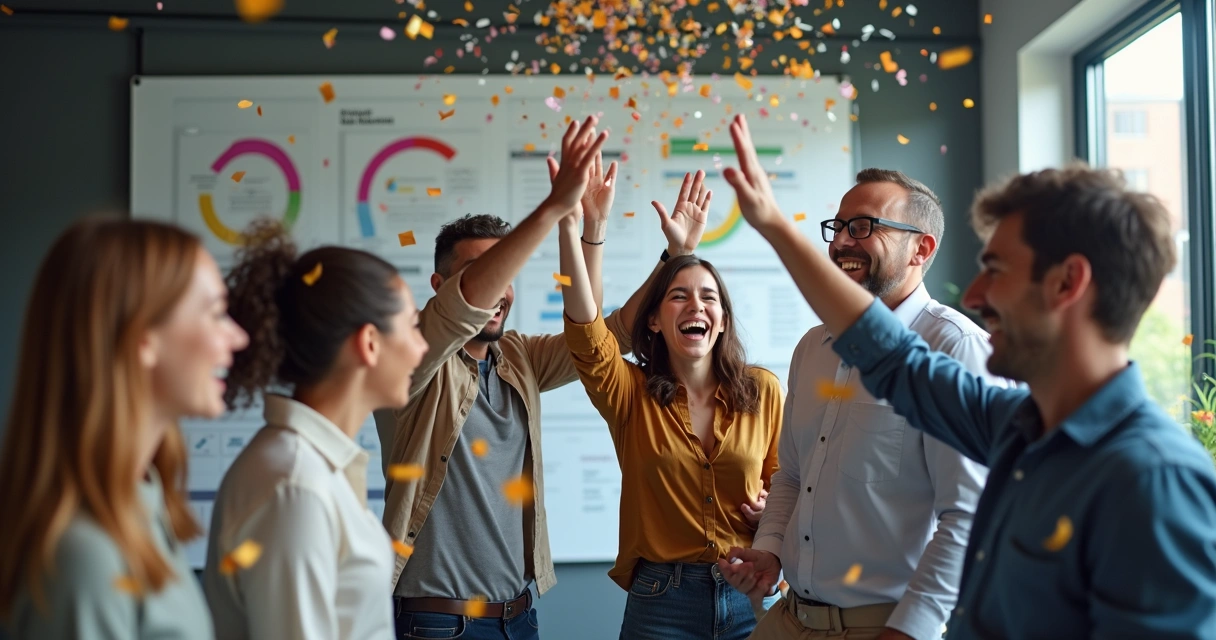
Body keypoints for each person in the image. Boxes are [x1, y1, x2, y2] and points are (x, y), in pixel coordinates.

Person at [718, 114, 1216, 638]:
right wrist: (774, 226)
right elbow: (891, 357)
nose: (975, 296)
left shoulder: (1155, 480)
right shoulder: (1013, 426)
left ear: (1068, 283)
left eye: (997, 270)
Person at [375, 116, 616, 640]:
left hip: (519, 617)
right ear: (440, 285)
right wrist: (552, 208)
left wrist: (588, 233)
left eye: (505, 276)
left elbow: (593, 338)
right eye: (482, 273)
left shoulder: (518, 356)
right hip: (438, 624)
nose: (498, 289)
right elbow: (460, 309)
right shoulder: (411, 358)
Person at [742, 169, 1004, 640]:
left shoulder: (955, 347)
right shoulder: (812, 347)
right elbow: (793, 475)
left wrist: (910, 631)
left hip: (884, 626)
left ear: (921, 249)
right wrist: (770, 551)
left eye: (863, 226)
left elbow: (969, 516)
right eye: (837, 226)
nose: (842, 242)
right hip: (789, 616)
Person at [0, 218, 249, 639]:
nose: (238, 337)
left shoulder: (143, 507)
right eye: (216, 313)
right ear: (143, 339)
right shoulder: (86, 559)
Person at [561, 170, 783, 640]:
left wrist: (776, 510)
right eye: (677, 297)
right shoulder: (629, 393)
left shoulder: (763, 390)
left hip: (754, 592)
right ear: (657, 321)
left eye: (708, 298)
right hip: (662, 601)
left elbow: (792, 484)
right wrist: (584, 231)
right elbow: (586, 330)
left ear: (721, 320)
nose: (694, 306)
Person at [201, 220, 428, 640]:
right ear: (370, 342)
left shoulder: (314, 469)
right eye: (413, 326)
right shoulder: (295, 487)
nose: (423, 346)